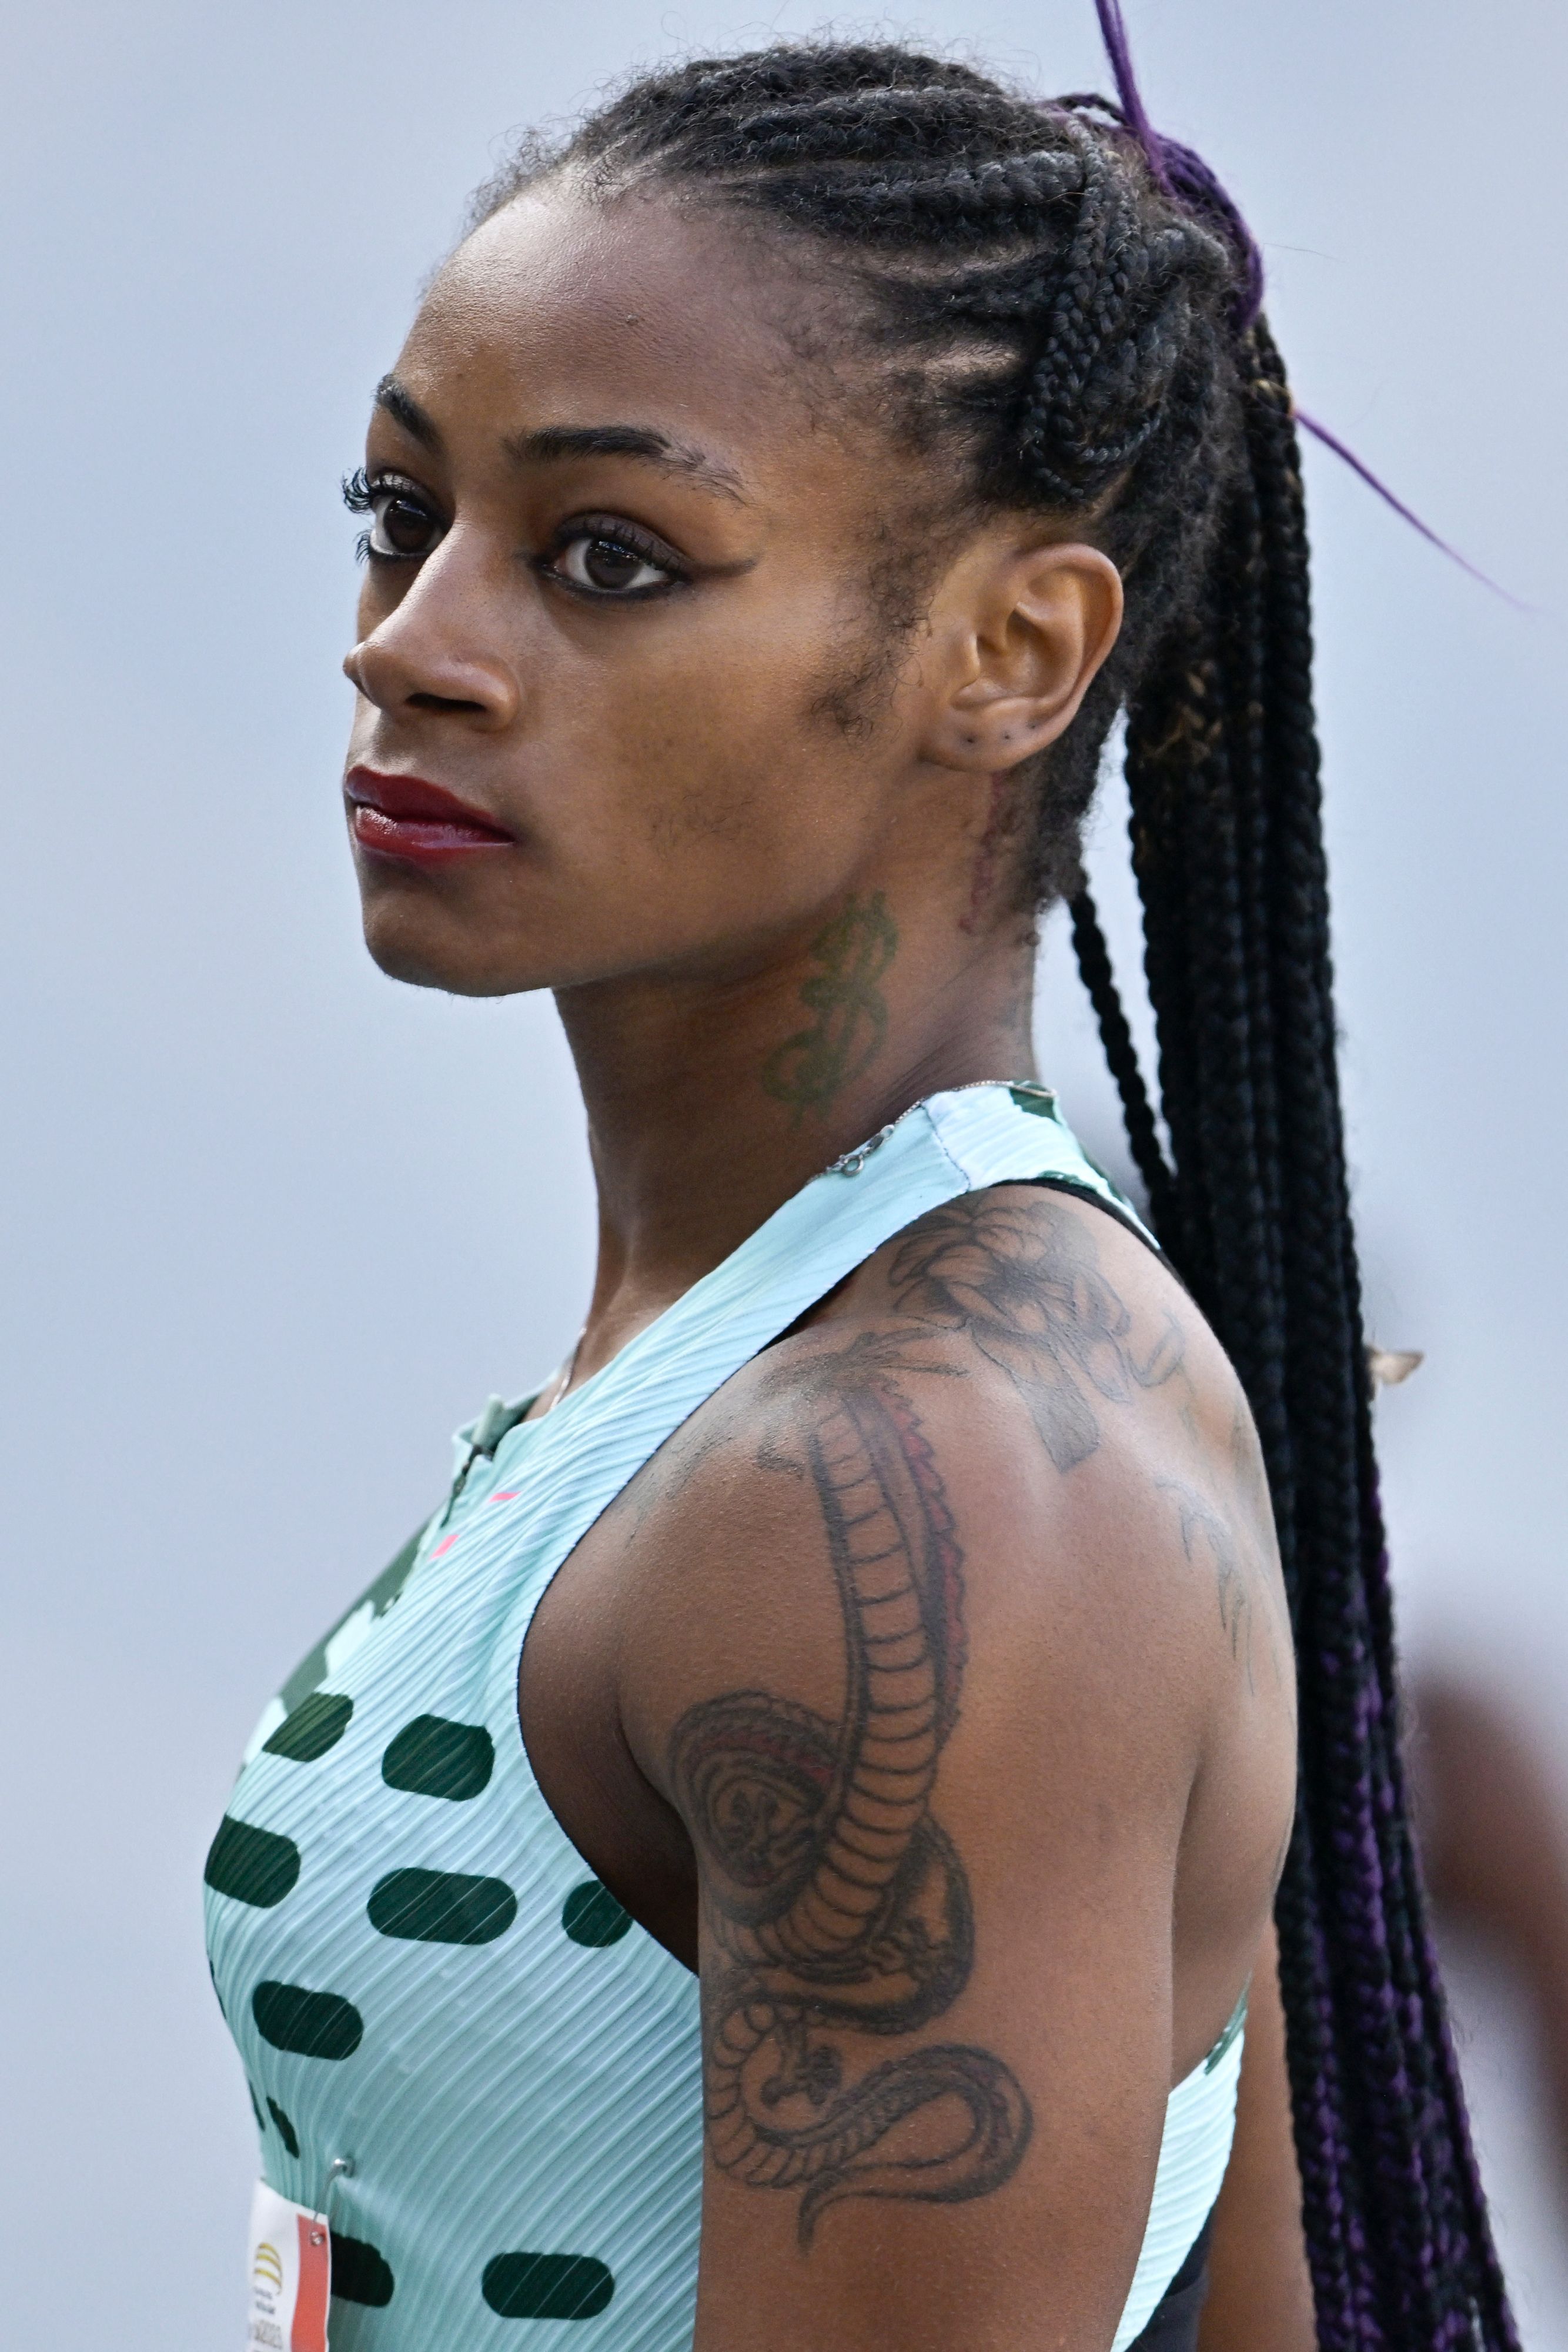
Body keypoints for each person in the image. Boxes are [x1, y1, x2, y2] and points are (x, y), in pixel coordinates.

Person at [203, 22, 1515, 2351]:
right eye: (404, 513)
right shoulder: (779, 1384)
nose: (407, 649)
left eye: (610, 556)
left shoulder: (935, 1482)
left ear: (1007, 654)